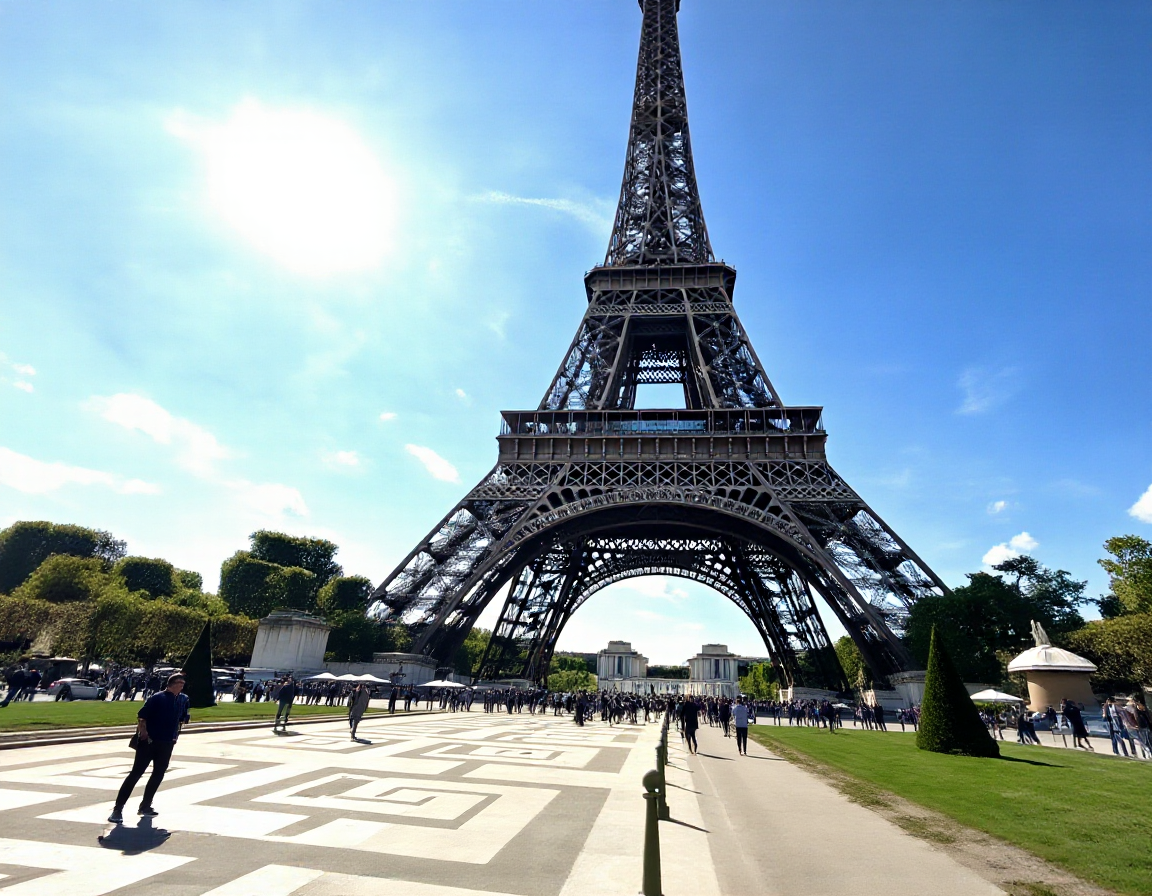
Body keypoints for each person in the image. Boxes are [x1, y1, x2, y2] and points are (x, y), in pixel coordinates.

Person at [108, 672, 189, 823]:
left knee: (158, 774)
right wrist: (143, 732)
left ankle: (145, 805)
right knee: (136, 774)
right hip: (149, 742)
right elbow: (142, 716)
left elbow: (182, 718)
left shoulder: (183, 699)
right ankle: (118, 809)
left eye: (183, 683)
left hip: (167, 743)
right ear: (171, 683)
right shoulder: (157, 698)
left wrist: (176, 732)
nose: (181, 685)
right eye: (179, 682)